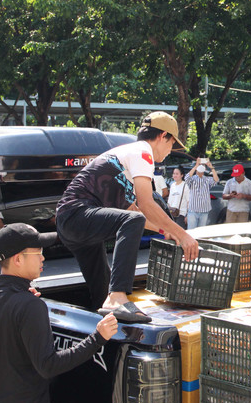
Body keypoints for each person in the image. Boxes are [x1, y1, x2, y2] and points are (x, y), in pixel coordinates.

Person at [55, 111, 198, 322]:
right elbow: (146, 205)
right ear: (163, 136)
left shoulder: (128, 158)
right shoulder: (143, 151)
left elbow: (133, 211)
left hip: (77, 223)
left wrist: (165, 230)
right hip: (76, 213)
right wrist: (183, 235)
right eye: (172, 144)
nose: (170, 151)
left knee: (102, 291)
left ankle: (107, 315)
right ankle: (118, 297)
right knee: (133, 223)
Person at [0, 223, 118, 403]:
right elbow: (48, 366)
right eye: (37, 253)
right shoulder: (30, 305)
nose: (43, 258)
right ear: (18, 259)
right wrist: (97, 338)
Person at [185, 158, 218, 229]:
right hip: (193, 210)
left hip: (204, 211)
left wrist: (211, 167)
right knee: (191, 232)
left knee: (201, 231)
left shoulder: (207, 179)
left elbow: (216, 180)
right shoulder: (192, 179)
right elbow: (187, 178)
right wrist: (196, 165)